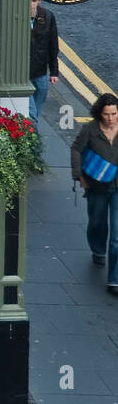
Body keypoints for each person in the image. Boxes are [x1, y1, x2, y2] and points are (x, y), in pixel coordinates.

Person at [71, 93, 118, 291]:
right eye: (107, 114)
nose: (111, 118)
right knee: (97, 222)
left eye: (114, 114)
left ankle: (114, 279)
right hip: (96, 186)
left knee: (116, 236)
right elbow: (76, 150)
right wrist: (79, 177)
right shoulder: (90, 130)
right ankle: (98, 250)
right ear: (100, 113)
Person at [28, 0, 59, 122]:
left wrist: (54, 72)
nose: (31, 4)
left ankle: (31, 124)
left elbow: (53, 45)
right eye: (29, 1)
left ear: (39, 1)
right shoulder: (16, 15)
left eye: (34, 1)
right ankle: (32, 126)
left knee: (40, 95)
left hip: (40, 70)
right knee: (32, 112)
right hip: (22, 72)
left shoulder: (48, 16)